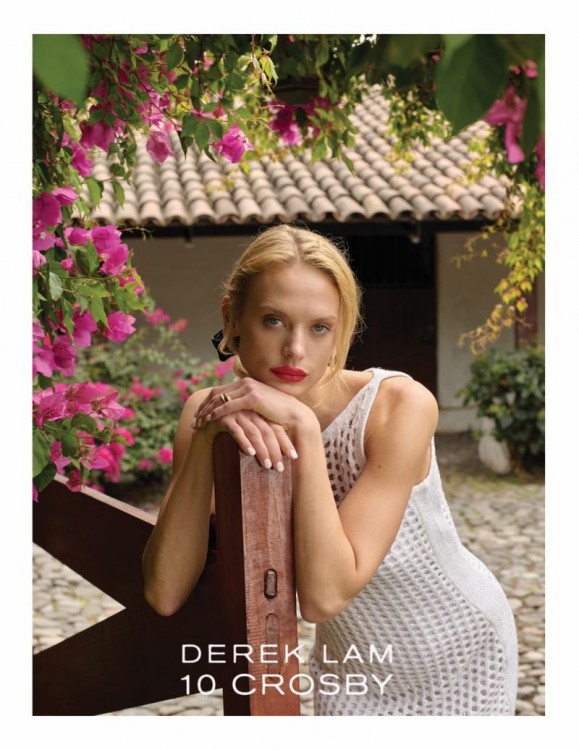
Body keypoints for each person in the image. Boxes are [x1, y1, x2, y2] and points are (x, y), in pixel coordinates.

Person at [142, 224, 518, 716]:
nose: (296, 350)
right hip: (354, 668)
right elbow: (165, 592)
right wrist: (206, 438)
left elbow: (324, 596)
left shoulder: (398, 406)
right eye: (274, 321)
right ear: (232, 317)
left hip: (458, 655)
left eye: (319, 328)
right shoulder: (210, 412)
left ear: (340, 332)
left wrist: (302, 426)